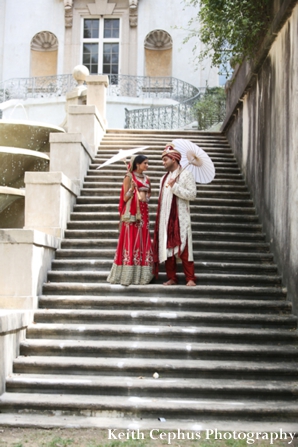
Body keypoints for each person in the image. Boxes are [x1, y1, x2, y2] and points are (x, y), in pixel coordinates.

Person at [153, 144, 197, 286]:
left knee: (184, 247)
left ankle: (190, 278)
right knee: (167, 248)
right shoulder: (163, 178)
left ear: (174, 159)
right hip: (165, 218)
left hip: (181, 218)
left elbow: (192, 195)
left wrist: (175, 187)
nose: (163, 162)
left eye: (165, 159)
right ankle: (172, 277)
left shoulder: (186, 174)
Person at [107, 154, 154, 286]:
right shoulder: (129, 177)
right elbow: (124, 198)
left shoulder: (147, 178)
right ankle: (127, 275)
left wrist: (145, 198)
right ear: (137, 164)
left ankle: (142, 275)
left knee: (142, 239)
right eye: (145, 163)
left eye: (147, 163)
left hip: (144, 213)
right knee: (131, 239)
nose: (147, 166)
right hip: (132, 214)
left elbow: (149, 193)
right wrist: (132, 190)